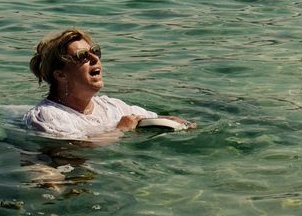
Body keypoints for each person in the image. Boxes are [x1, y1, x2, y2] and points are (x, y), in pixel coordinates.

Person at [23, 28, 192, 140]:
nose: (95, 59)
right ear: (61, 75)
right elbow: (73, 150)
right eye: (82, 56)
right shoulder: (47, 115)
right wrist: (120, 130)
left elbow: (154, 118)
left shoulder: (111, 106)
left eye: (95, 52)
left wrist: (181, 123)